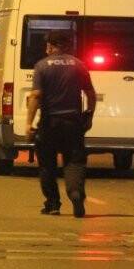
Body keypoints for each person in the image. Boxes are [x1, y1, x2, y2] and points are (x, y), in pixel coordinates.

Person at [25, 31, 96, 218]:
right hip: (73, 122)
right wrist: (89, 115)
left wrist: (28, 123)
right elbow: (91, 94)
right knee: (75, 161)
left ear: (50, 46)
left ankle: (53, 204)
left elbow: (36, 96)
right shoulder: (79, 65)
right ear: (67, 46)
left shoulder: (42, 66)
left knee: (47, 164)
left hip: (49, 123)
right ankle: (75, 193)